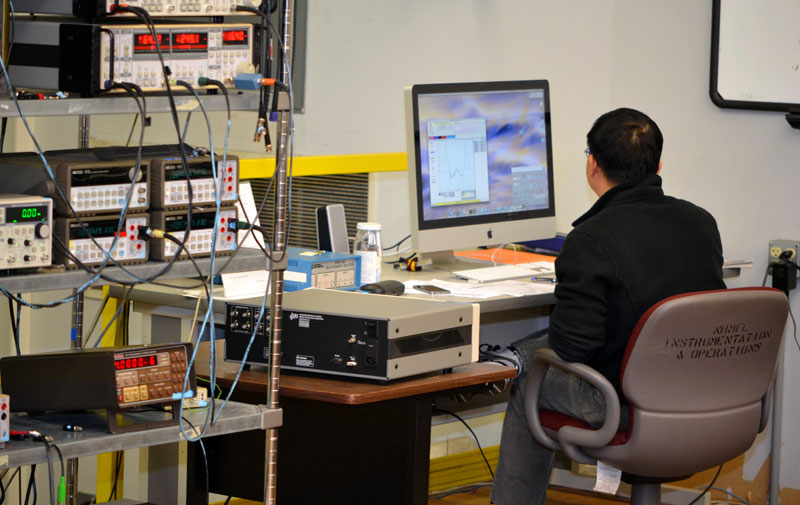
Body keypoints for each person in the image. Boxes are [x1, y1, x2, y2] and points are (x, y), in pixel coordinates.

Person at [487, 108, 726, 505]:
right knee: (531, 353)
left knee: (528, 374)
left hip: (623, 406)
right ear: (658, 166)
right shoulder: (702, 222)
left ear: (592, 164)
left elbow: (572, 349)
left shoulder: (591, 240)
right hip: (704, 397)